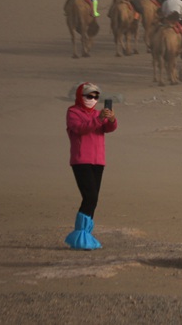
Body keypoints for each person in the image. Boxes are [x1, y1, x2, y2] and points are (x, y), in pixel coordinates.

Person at [64, 82, 117, 250]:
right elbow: (80, 129)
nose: (93, 99)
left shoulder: (97, 113)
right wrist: (99, 119)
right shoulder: (73, 112)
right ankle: (80, 234)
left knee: (93, 199)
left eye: (95, 96)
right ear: (81, 96)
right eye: (89, 96)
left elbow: (109, 128)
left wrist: (111, 119)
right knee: (90, 196)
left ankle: (86, 234)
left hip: (98, 161)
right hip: (81, 160)